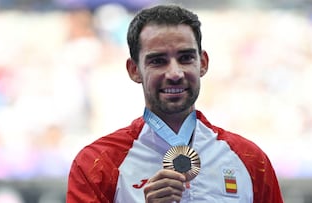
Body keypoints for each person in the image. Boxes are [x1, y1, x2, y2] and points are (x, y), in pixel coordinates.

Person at [66, 4, 284, 203]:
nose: (175, 73)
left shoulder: (251, 161)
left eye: (186, 58)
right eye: (158, 61)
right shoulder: (97, 164)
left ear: (203, 63)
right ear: (134, 70)